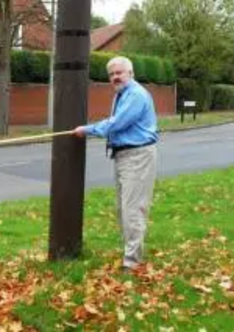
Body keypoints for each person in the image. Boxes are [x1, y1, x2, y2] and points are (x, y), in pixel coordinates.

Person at [73, 56, 158, 270]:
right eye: (111, 74)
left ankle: (132, 263)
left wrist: (88, 130)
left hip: (137, 156)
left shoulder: (135, 95)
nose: (115, 77)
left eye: (119, 73)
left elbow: (117, 123)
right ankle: (131, 253)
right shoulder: (122, 94)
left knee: (132, 210)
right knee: (123, 209)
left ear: (131, 73)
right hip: (123, 156)